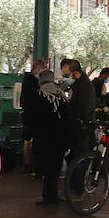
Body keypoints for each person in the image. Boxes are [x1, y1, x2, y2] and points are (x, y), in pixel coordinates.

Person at [33, 68, 71, 205]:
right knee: (56, 168)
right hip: (61, 138)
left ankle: (48, 197)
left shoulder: (39, 95)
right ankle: (54, 195)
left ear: (40, 81)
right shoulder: (61, 95)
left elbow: (35, 119)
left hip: (46, 138)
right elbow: (67, 117)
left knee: (48, 169)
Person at [60, 58, 96, 162]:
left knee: (80, 159)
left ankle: (78, 178)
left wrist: (67, 112)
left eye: (67, 76)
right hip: (77, 128)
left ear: (75, 73)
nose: (65, 78)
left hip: (82, 129)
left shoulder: (84, 87)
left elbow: (83, 109)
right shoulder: (76, 84)